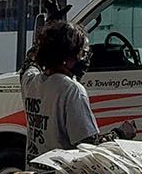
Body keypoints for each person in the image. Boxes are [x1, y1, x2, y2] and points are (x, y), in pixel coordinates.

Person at [20, 19, 102, 160]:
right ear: (68, 56)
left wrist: (49, 28)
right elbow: (88, 145)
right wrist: (120, 133)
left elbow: (29, 62)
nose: (86, 59)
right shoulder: (72, 90)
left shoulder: (30, 81)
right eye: (83, 53)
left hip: (35, 173)